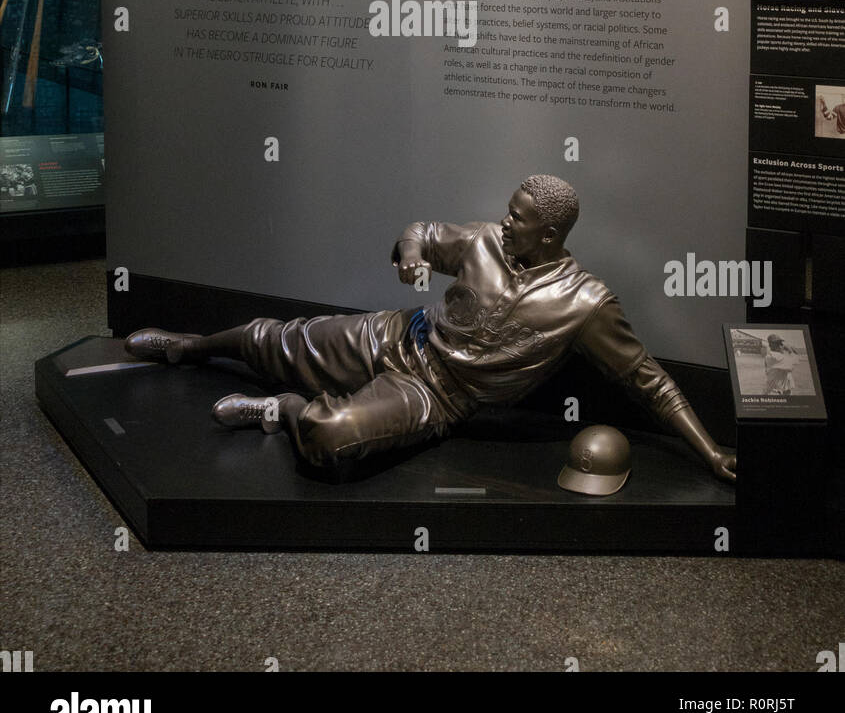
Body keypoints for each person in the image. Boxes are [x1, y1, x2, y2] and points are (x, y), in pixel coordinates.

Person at [125, 174, 736, 481]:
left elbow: (647, 379)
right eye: (508, 210)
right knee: (269, 338)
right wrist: (411, 254)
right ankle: (188, 348)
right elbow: (420, 230)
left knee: (328, 439)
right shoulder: (484, 240)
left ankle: (281, 409)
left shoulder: (585, 304)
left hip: (436, 393)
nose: (504, 221)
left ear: (549, 235)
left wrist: (706, 450)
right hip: (397, 334)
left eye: (518, 219)